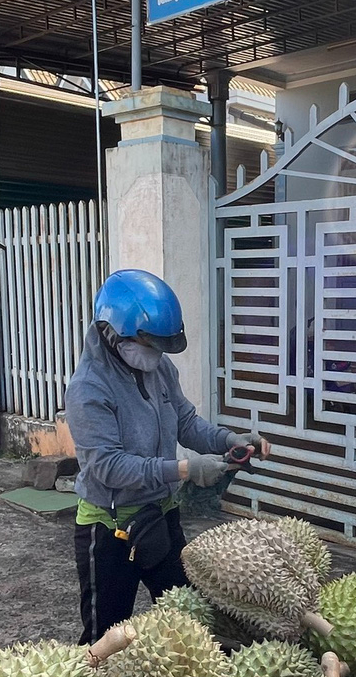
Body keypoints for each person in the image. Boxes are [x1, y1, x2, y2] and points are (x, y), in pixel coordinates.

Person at [64, 268, 268, 642]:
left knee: (189, 623)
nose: (155, 354)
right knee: (105, 637)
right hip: (111, 529)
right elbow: (108, 466)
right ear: (113, 333)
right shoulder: (87, 390)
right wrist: (186, 469)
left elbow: (186, 422)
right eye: (149, 344)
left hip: (160, 518)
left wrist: (228, 440)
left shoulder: (159, 368)